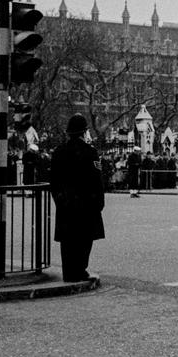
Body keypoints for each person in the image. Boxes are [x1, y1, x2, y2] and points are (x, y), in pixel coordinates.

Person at [50, 113, 105, 282]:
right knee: (84, 239)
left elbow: (54, 181)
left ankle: (69, 271)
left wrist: (59, 199)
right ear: (84, 132)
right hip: (85, 203)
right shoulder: (90, 152)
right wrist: (98, 202)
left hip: (66, 202)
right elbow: (97, 180)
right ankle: (80, 269)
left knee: (67, 240)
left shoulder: (59, 152)